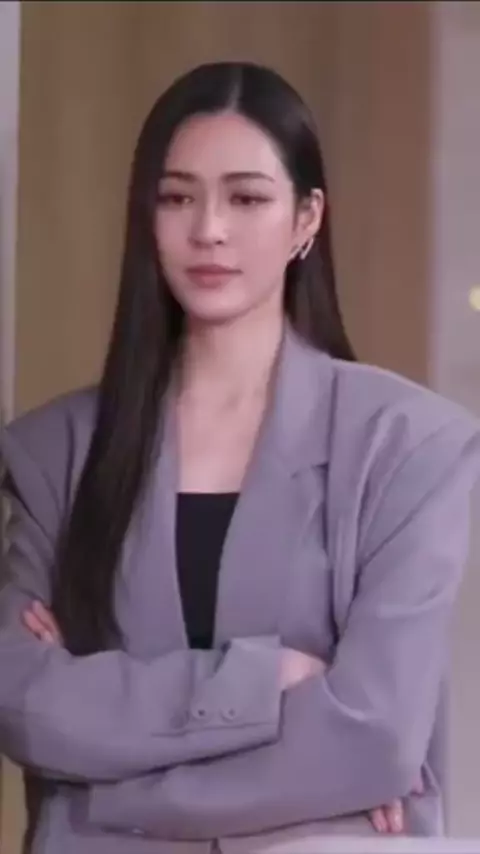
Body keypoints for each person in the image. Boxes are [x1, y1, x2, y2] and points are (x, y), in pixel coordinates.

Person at [1, 61, 479, 854]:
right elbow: (21, 698)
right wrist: (259, 686)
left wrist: (106, 787)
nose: (209, 230)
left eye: (247, 198)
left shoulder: (409, 445)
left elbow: (376, 737)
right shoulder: (56, 453)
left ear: (306, 219)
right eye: (177, 197)